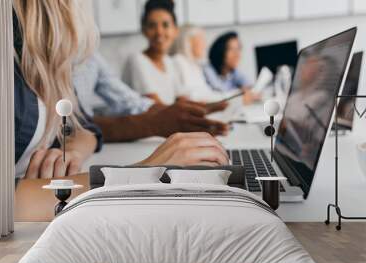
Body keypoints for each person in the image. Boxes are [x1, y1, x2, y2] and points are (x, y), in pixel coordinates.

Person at [13, 0, 229, 179]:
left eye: (166, 25)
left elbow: (83, 126)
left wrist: (74, 149)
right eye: (153, 25)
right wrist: (142, 172)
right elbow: (3, 200)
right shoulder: (9, 74)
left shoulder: (52, 63)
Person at [74, 52, 229, 142]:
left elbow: (130, 101)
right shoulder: (138, 60)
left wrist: (187, 112)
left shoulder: (90, 55)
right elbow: (69, 127)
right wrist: (156, 122)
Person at [122, 0, 183, 105]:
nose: (159, 32)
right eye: (151, 26)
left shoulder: (169, 62)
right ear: (144, 30)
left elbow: (181, 99)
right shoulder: (136, 60)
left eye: (165, 25)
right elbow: (156, 108)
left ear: (175, 30)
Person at [171, 24, 227, 102]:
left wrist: (230, 96)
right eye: (201, 40)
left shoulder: (195, 65)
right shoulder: (178, 61)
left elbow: (207, 93)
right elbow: (190, 96)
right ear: (188, 42)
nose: (205, 45)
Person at [204, 31, 260, 105]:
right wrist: (240, 92)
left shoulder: (233, 71)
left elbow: (249, 86)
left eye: (238, 49)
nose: (237, 54)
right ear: (220, 52)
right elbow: (220, 94)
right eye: (231, 49)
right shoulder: (208, 70)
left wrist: (250, 91)